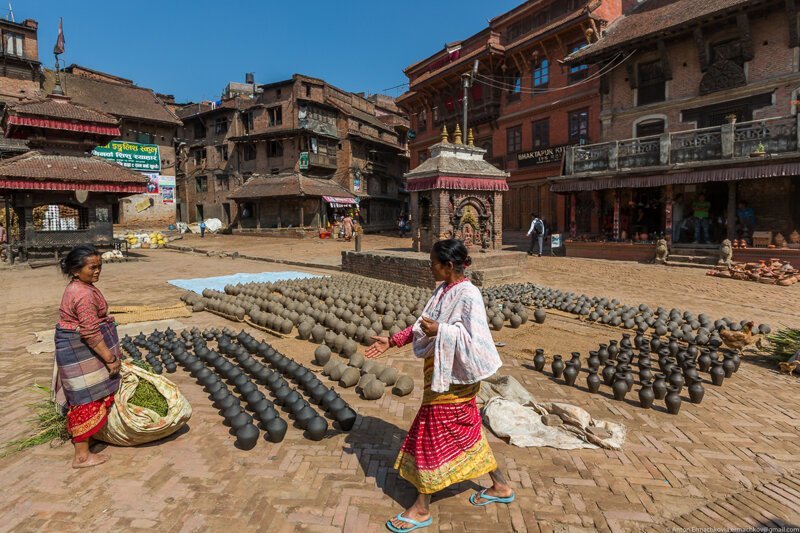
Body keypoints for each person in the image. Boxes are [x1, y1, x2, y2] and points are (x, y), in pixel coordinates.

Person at [366, 239, 514, 532]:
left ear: (448, 266)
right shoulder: (443, 290)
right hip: (441, 375)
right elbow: (423, 323)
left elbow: (475, 340)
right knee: (467, 433)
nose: (429, 267)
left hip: (455, 379)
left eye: (433, 262)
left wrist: (442, 330)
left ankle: (421, 508)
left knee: (431, 433)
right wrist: (393, 340)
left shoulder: (469, 295)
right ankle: (501, 486)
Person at [53, 245, 122, 468]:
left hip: (78, 347)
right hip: (81, 348)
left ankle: (87, 442)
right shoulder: (82, 294)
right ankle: (81, 456)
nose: (97, 271)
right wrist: (109, 358)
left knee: (85, 395)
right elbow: (91, 333)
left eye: (100, 266)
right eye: (92, 267)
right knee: (86, 397)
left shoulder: (80, 286)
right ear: (75, 270)